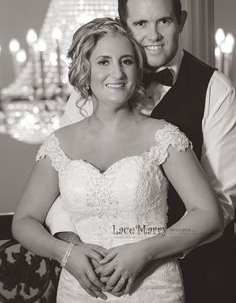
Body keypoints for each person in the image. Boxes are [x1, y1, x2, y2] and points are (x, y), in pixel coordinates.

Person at [12, 17, 223, 302]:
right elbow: (24, 220)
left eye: (126, 61)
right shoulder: (60, 143)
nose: (117, 72)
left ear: (138, 70)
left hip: (153, 287)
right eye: (103, 62)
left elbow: (208, 215)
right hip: (80, 291)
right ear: (84, 70)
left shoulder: (163, 136)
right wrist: (66, 254)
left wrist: (145, 250)